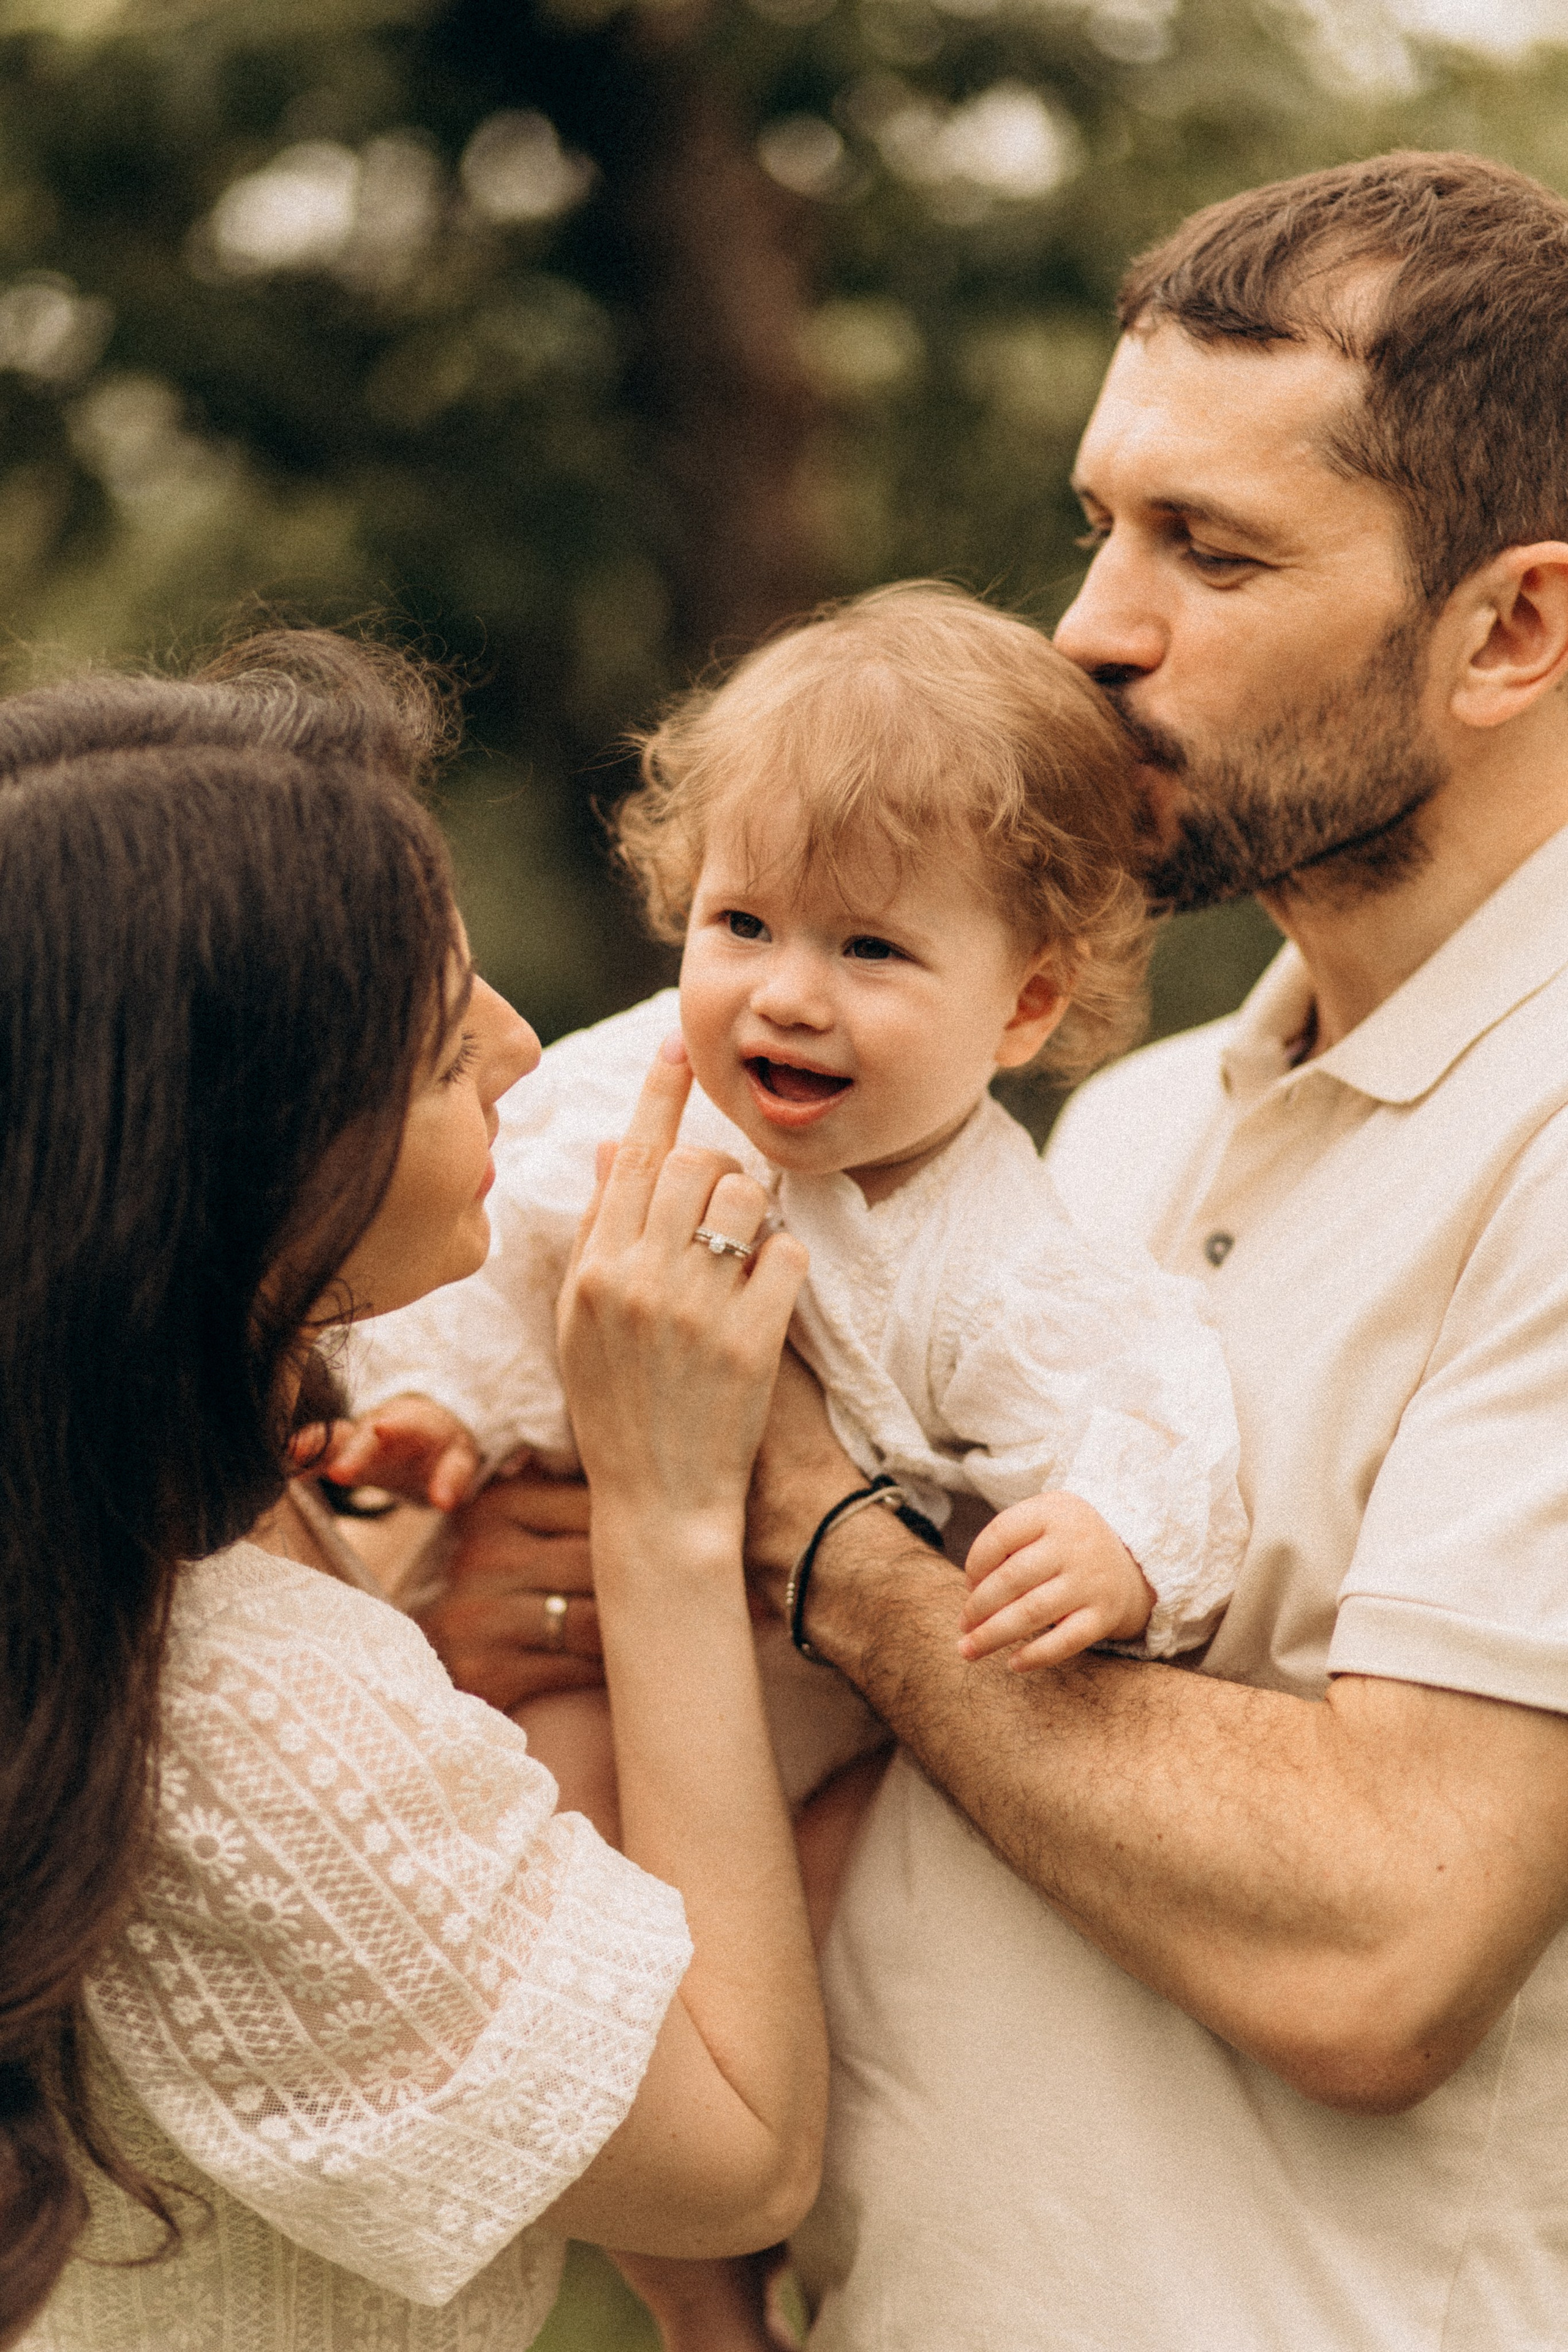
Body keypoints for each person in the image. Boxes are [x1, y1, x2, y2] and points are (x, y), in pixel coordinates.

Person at [417, 149, 1568, 2349]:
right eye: (1102, 525)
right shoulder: (1113, 1126)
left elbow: (1388, 1940)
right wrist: (587, 1570)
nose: (1092, 630)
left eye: (1210, 549)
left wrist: (802, 1526)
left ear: (1510, 627)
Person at [327, 586, 1248, 2350]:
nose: (787, 995)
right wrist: (436, 1414)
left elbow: (1153, 1393)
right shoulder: (632, 1098)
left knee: (849, 1912)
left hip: (829, 1711)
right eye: (743, 922)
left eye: (874, 952)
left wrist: (1117, 1532)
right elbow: (504, 1267)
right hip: (615, 1663)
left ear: (1025, 1005)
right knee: (559, 1872)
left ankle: (775, 2248)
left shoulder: (991, 1253)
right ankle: (694, 2303)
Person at [0, 631, 827, 2352]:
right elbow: (739, 2155)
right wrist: (665, 1513)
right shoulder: (229, 1712)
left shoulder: (113, 1562)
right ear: (241, 1157)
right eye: (446, 1047)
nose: (523, 1049)